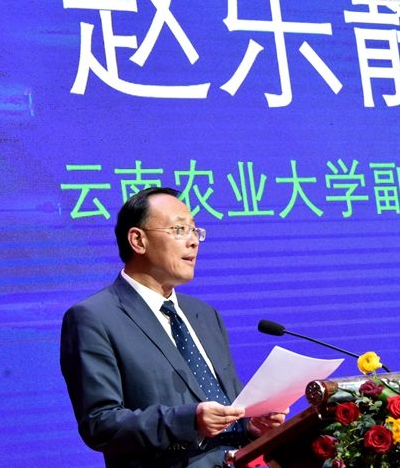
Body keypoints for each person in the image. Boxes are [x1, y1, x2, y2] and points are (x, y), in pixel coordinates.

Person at [60, 187, 285, 467]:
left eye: (195, 231)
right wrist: (189, 420)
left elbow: (226, 404)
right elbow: (100, 423)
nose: (193, 241)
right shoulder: (94, 317)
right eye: (179, 230)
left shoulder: (205, 315)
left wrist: (249, 426)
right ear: (138, 240)